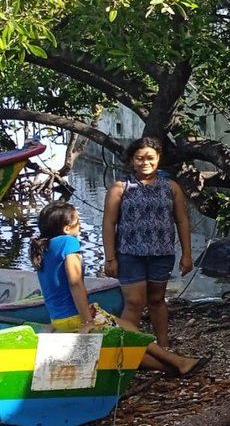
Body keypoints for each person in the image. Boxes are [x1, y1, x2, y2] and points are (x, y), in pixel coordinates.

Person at [32, 202, 209, 377]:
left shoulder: (44, 248)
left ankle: (173, 364)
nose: (80, 225)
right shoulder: (68, 243)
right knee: (128, 339)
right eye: (77, 221)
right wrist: (87, 321)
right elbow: (75, 282)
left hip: (60, 318)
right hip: (76, 316)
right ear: (66, 228)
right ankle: (178, 364)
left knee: (128, 328)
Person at [102, 137, 192, 349]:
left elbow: (182, 220)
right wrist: (110, 258)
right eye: (139, 158)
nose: (145, 162)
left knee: (157, 300)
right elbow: (109, 223)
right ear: (132, 160)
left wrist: (187, 254)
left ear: (158, 158)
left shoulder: (171, 187)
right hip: (129, 254)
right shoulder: (120, 188)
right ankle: (130, 351)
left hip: (162, 254)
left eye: (150, 158)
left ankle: (162, 347)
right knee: (134, 303)